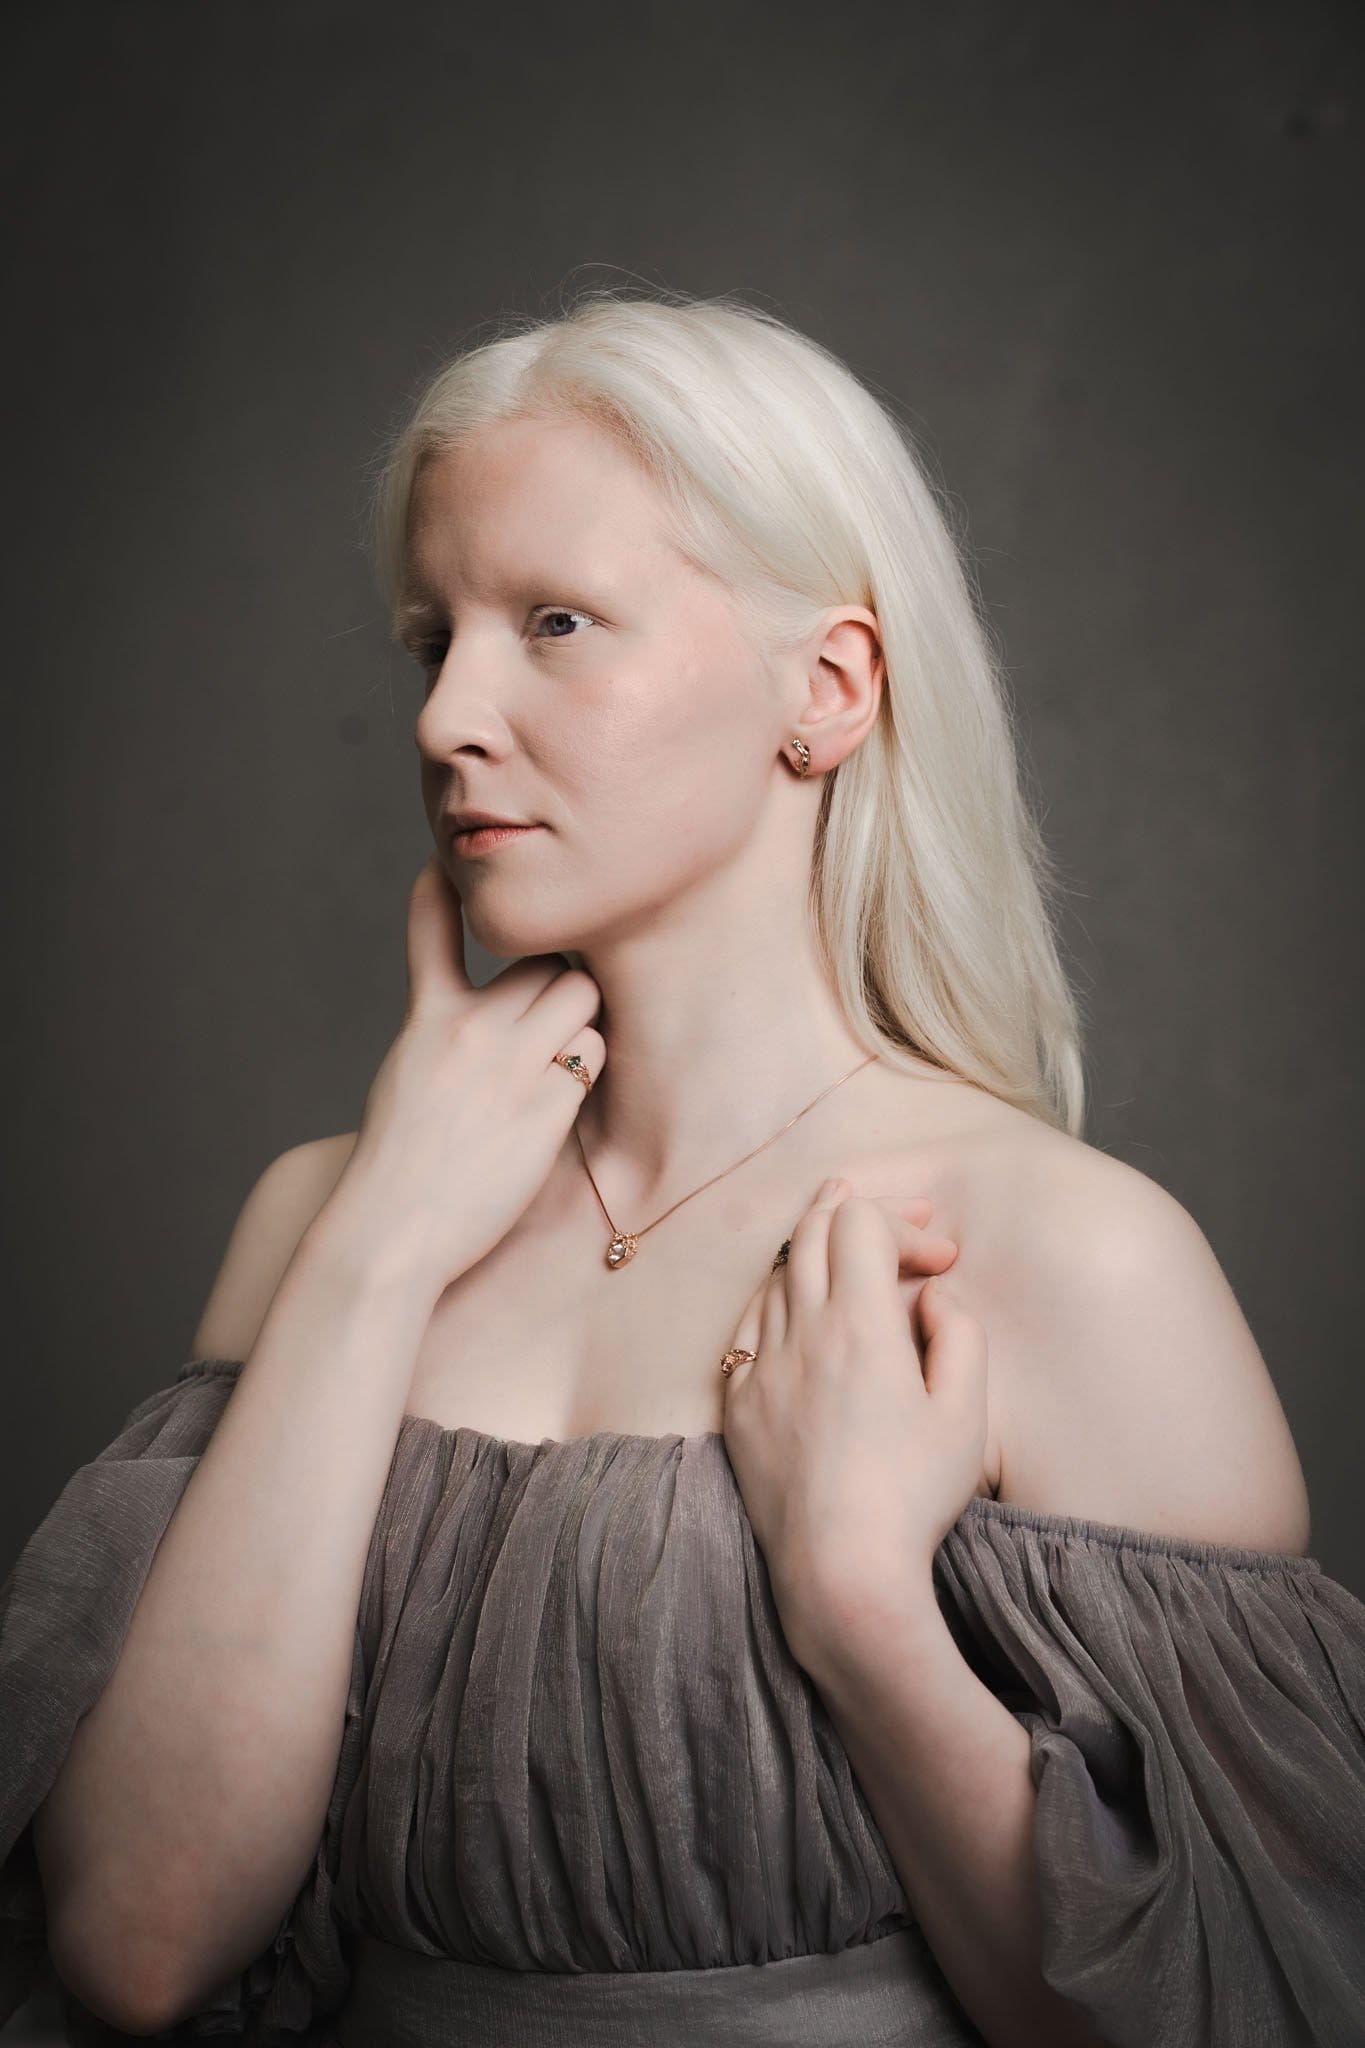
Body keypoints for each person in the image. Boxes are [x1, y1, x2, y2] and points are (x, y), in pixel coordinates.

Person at [2, 287, 1362, 2048]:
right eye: (432, 640)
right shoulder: (323, 1218)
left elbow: (1223, 2009)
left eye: (555, 622)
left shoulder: (1067, 1260)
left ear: (827, 689)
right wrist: (376, 1251)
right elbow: (140, 1946)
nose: (447, 719)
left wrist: (860, 1609)